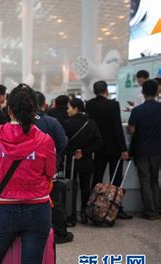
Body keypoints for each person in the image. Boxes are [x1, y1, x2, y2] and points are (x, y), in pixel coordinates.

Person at [0, 84, 55, 264]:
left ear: (9, 109)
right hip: (38, 209)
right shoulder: (45, 140)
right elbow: (49, 172)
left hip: (5, 210)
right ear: (34, 110)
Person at [86, 81, 132, 220]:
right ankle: (115, 209)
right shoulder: (113, 104)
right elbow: (117, 128)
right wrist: (123, 148)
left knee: (97, 178)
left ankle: (93, 206)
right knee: (116, 179)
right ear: (106, 90)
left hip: (97, 147)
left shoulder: (89, 104)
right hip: (113, 148)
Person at [35, 91, 72, 244]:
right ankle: (60, 233)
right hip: (49, 170)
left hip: (26, 171)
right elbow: (63, 143)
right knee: (53, 200)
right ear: (44, 104)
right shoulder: (51, 122)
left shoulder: (21, 122)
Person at [63, 98, 103, 224]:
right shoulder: (91, 123)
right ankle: (84, 213)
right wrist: (84, 152)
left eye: (69, 107)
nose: (67, 110)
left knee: (70, 187)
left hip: (71, 161)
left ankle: (70, 214)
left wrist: (72, 152)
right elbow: (98, 142)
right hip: (86, 160)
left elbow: (63, 143)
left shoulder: (67, 123)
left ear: (76, 109)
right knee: (85, 187)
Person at [128, 79, 161, 220]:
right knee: (155, 179)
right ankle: (158, 208)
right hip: (158, 150)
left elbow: (131, 130)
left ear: (143, 91)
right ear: (157, 91)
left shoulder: (137, 111)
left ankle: (150, 211)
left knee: (145, 180)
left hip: (141, 150)